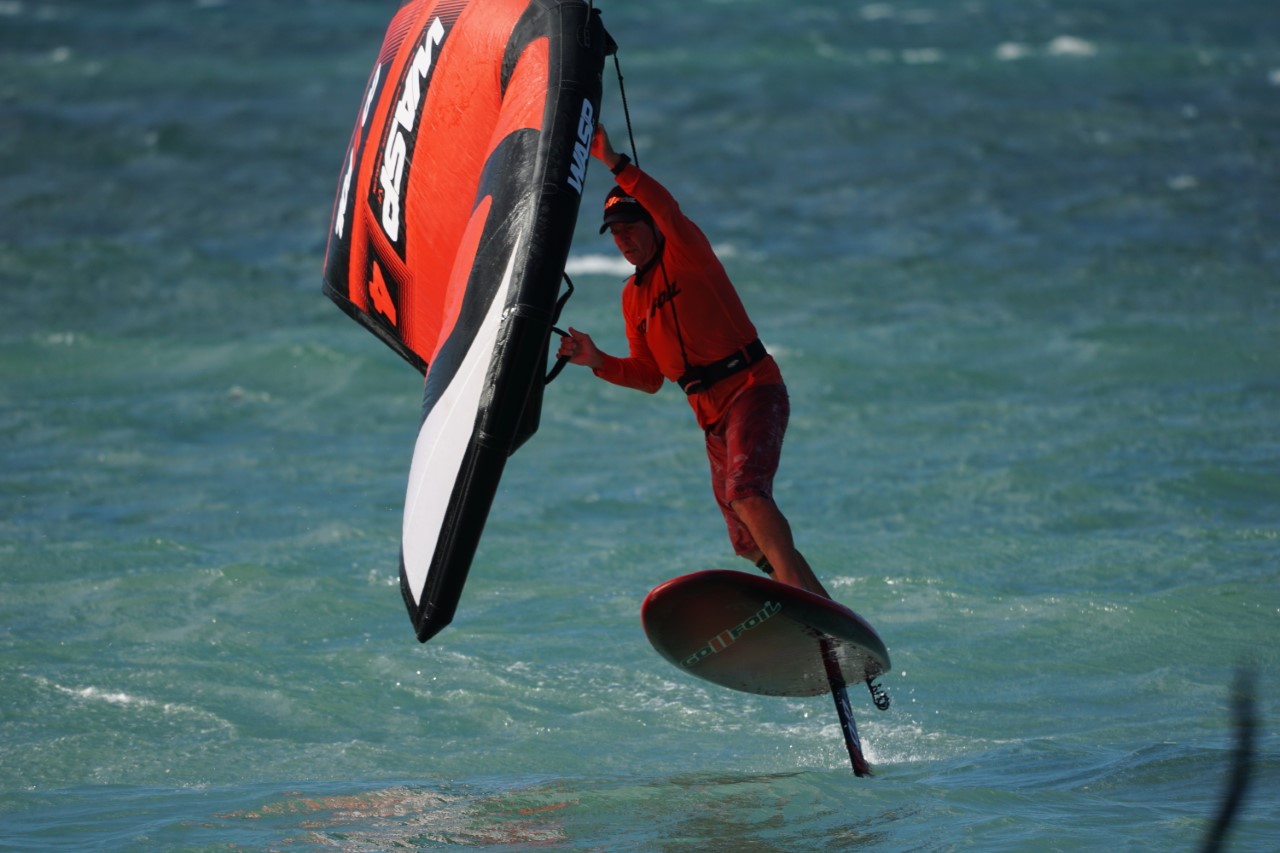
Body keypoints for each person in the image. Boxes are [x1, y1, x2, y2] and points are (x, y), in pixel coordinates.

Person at [556, 125, 830, 598]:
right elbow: (649, 378)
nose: (623, 242)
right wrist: (597, 359)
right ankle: (825, 612)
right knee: (745, 540)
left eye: (630, 229)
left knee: (747, 494)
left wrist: (614, 161)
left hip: (751, 389)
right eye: (615, 234)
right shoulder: (632, 298)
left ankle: (800, 605)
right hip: (712, 420)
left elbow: (666, 206)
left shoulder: (686, 251)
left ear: (651, 226)